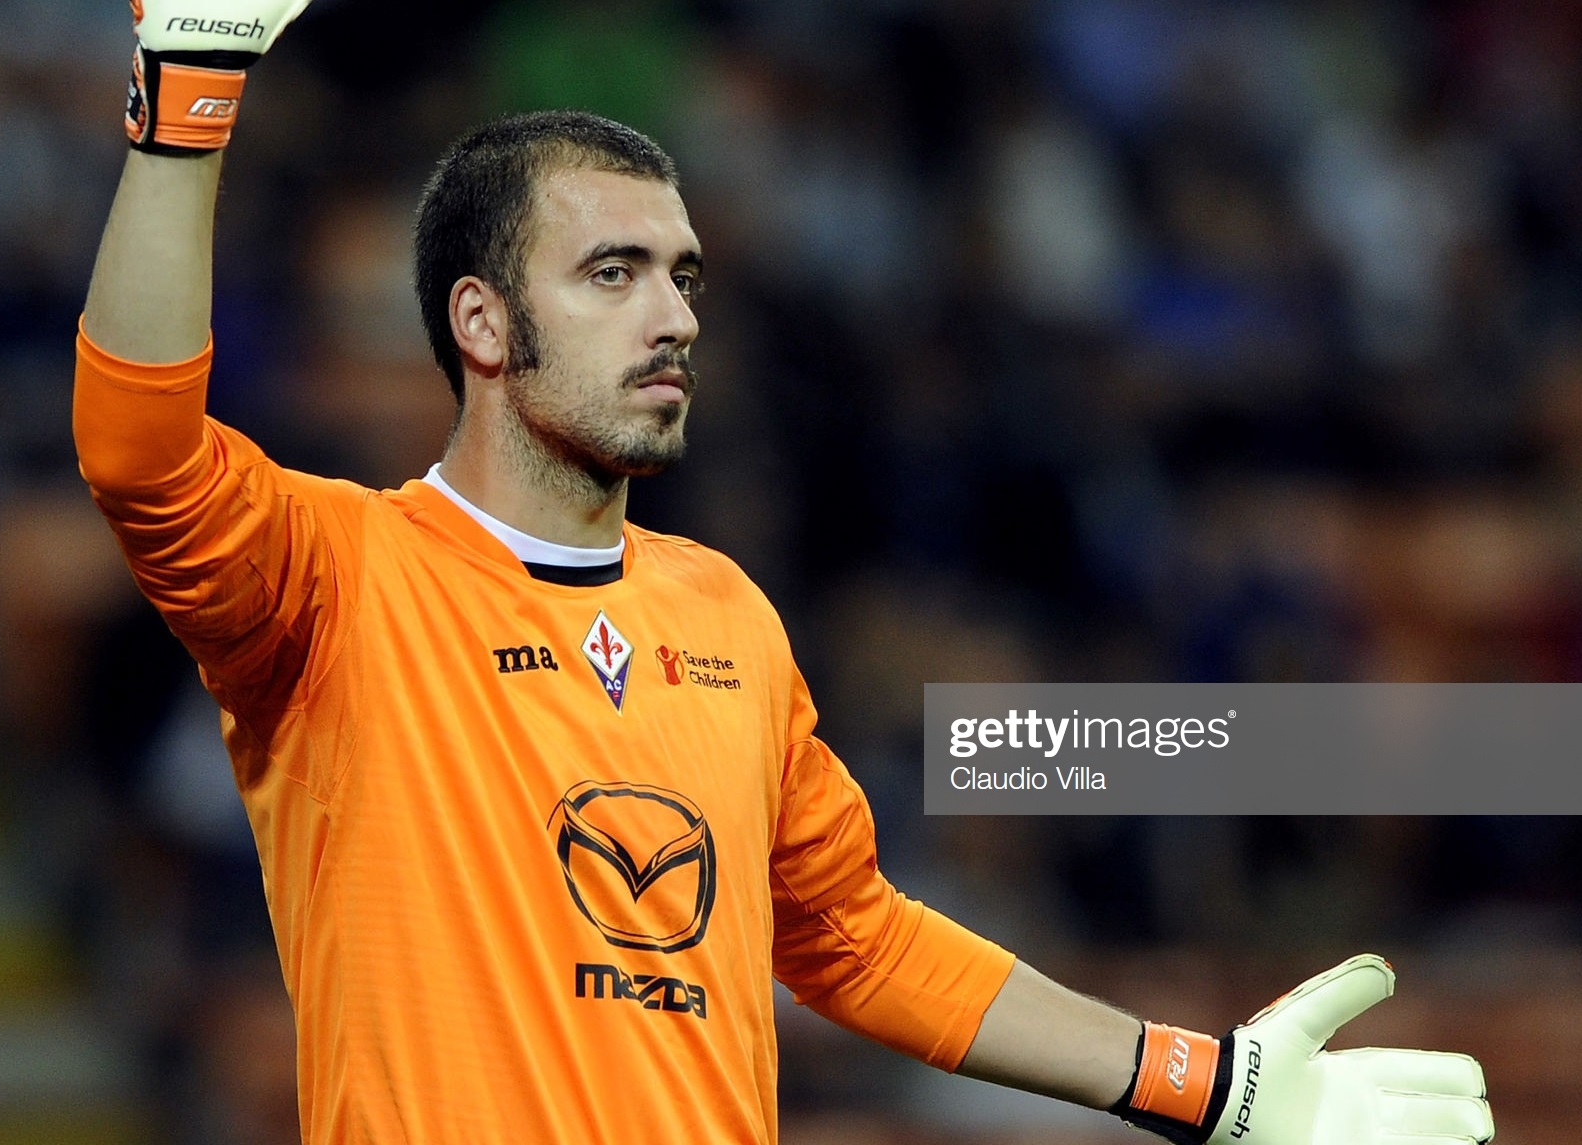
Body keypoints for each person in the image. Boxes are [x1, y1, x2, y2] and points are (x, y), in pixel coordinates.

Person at [75, 4, 1496, 1143]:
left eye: (685, 275)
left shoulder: (726, 616)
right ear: (484, 322)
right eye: (615, 272)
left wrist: (1208, 1083)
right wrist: (188, 101)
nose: (675, 313)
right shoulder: (341, 572)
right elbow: (142, 453)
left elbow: (862, 942)